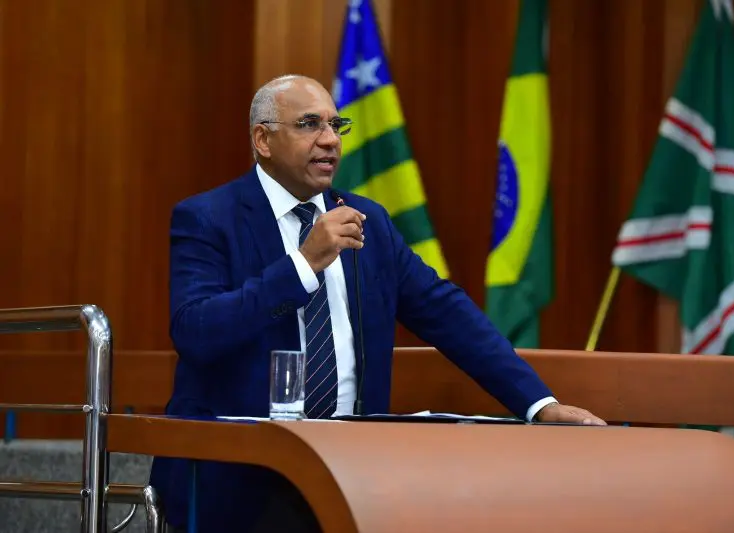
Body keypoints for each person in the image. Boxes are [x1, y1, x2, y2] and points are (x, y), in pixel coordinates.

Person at [149, 74, 605, 532]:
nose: (330, 141)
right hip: (239, 479)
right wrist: (304, 265)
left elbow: (447, 314)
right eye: (310, 125)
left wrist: (540, 405)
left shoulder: (370, 221)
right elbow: (196, 331)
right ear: (263, 140)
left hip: (351, 476)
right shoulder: (208, 218)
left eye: (336, 125)